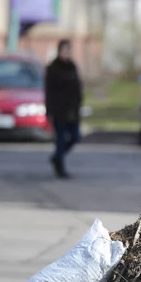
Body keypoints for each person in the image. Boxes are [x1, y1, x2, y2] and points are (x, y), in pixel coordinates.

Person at [45, 39, 83, 178]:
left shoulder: (72, 66)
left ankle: (56, 157)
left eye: (69, 50)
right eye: (64, 50)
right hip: (59, 110)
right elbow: (49, 92)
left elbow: (78, 88)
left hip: (72, 110)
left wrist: (79, 105)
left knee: (75, 137)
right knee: (60, 140)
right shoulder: (53, 68)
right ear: (59, 51)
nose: (67, 53)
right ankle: (60, 167)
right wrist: (49, 111)